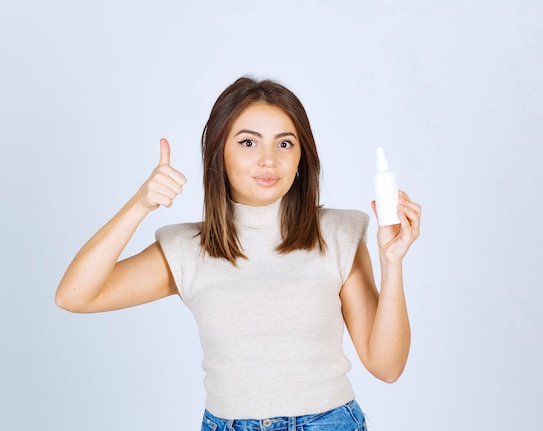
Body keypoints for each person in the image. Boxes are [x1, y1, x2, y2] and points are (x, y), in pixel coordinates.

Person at [56, 77, 422, 431]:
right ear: (220, 153)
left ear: (301, 159)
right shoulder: (188, 250)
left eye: (285, 144)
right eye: (248, 143)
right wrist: (139, 205)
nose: (268, 160)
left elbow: (386, 367)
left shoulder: (337, 234)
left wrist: (393, 264)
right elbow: (74, 296)